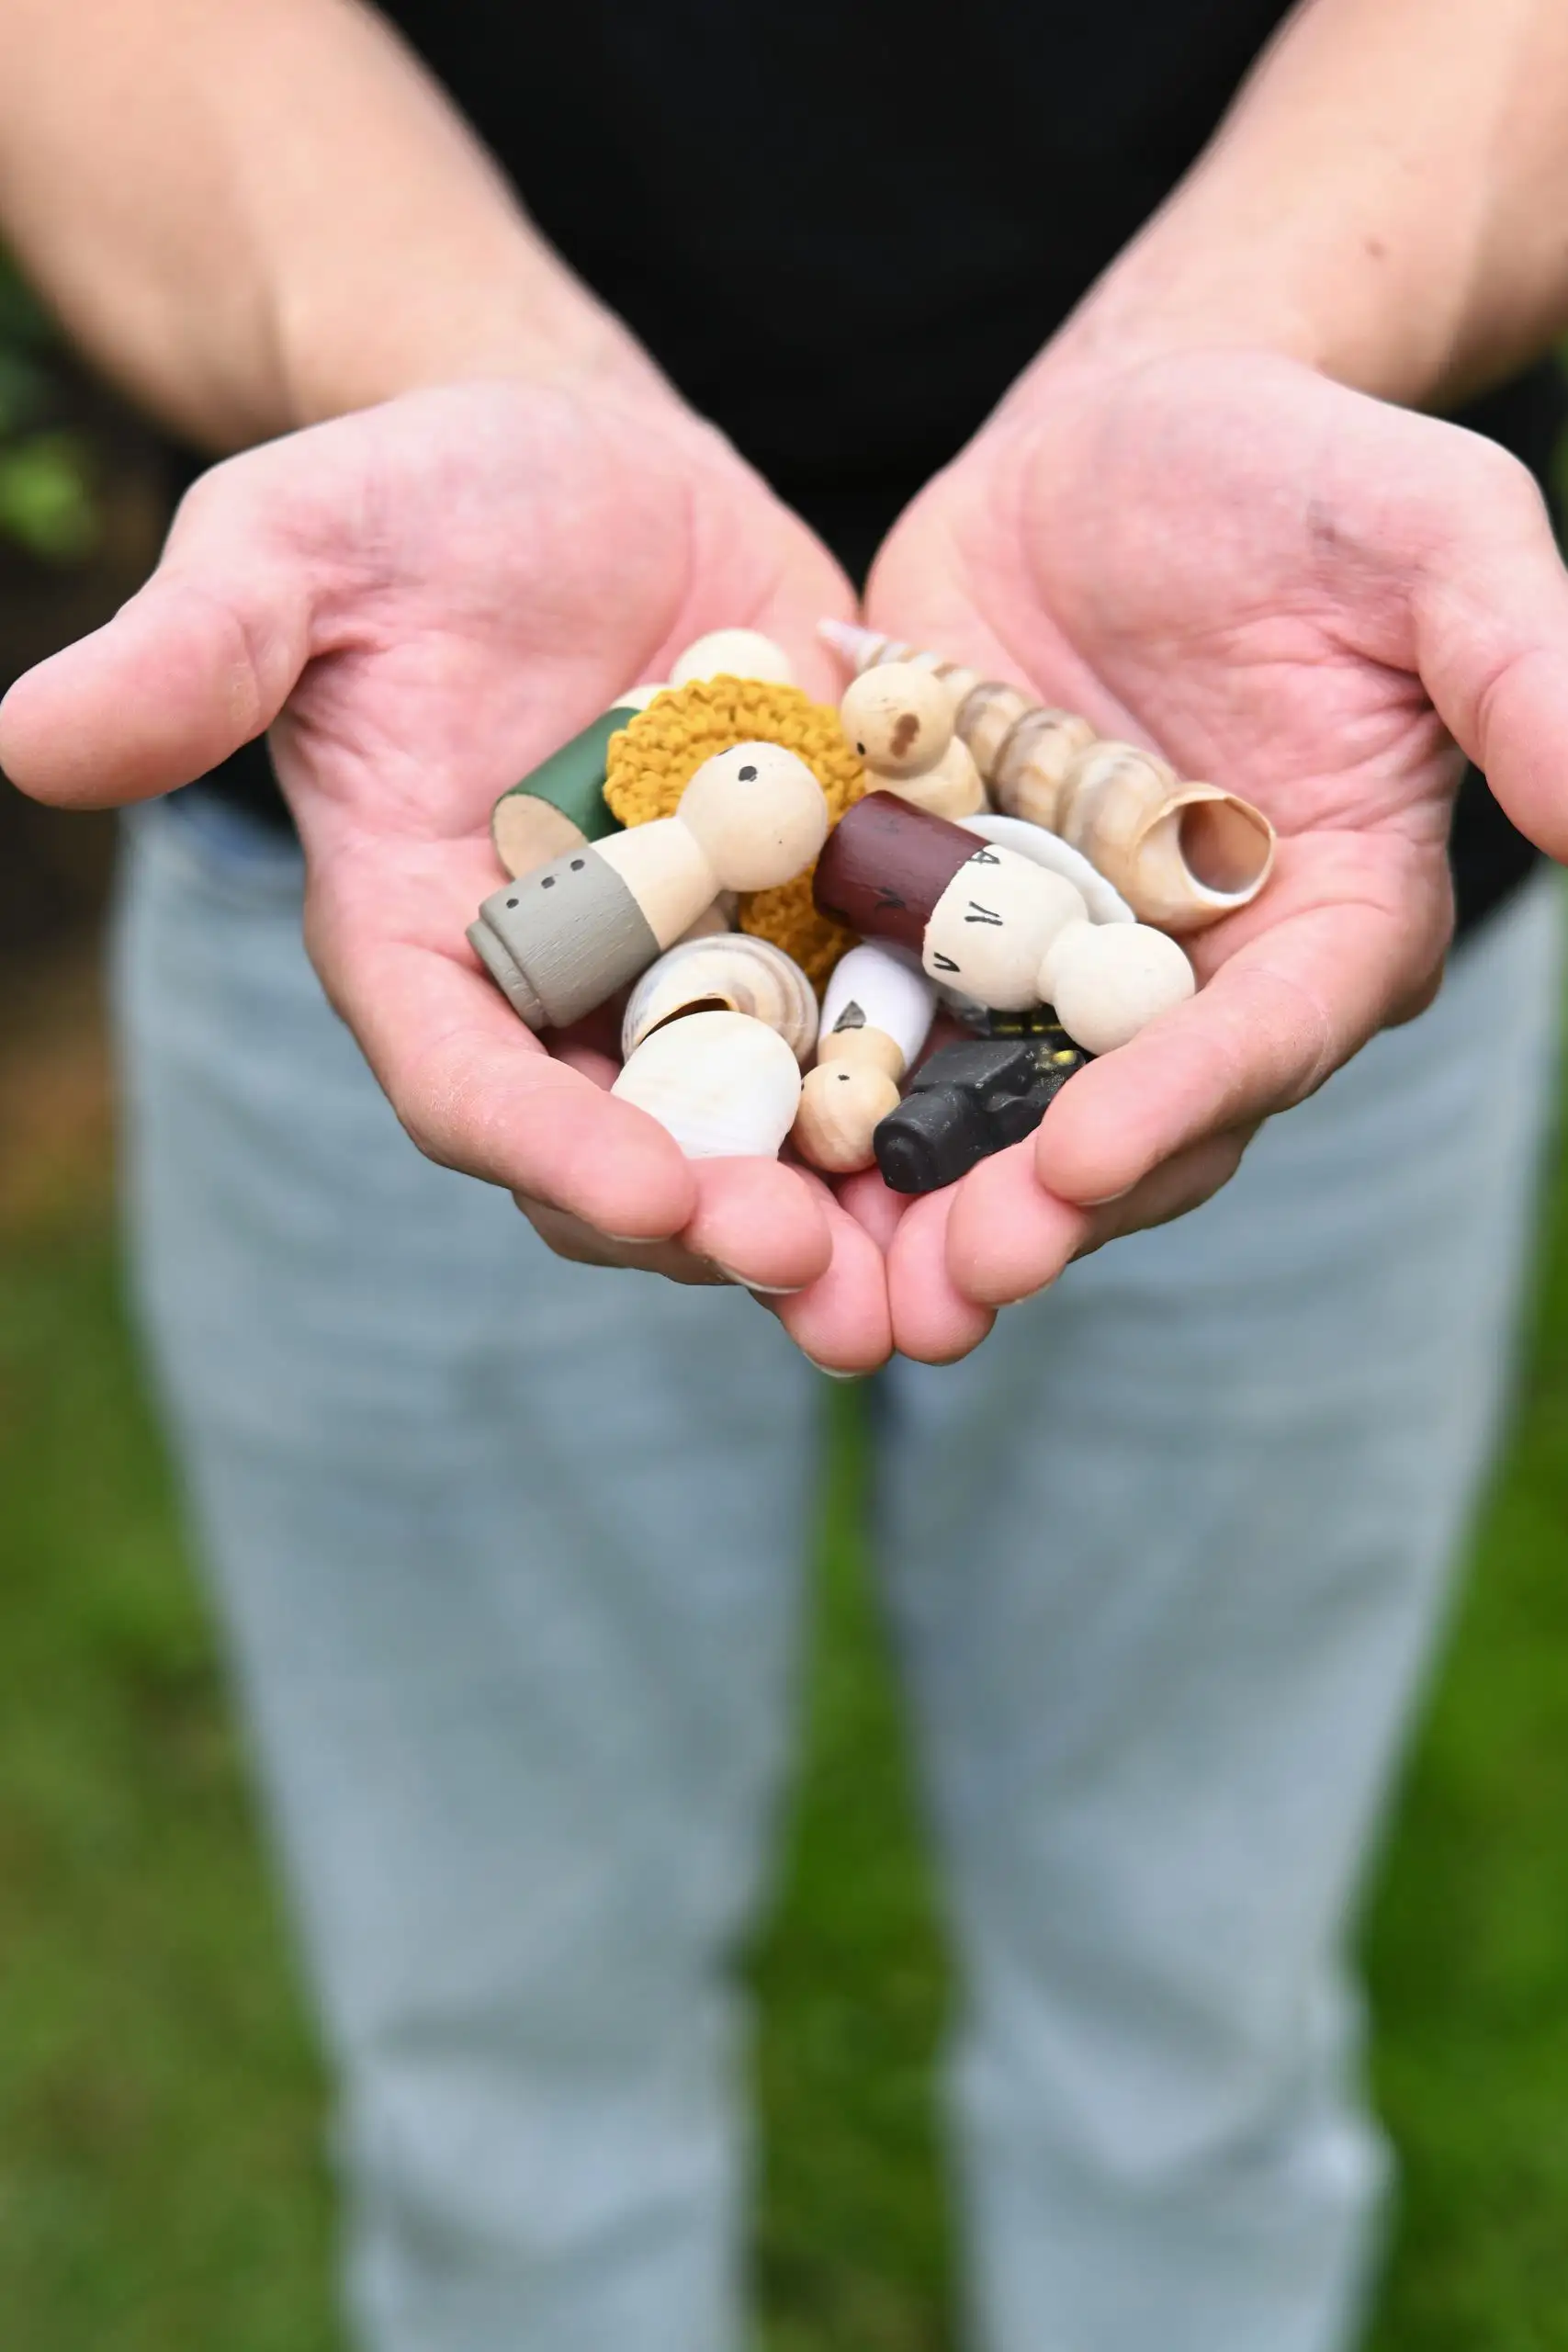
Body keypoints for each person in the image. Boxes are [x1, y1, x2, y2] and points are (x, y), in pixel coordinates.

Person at [3, 0, 1568, 2344]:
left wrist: (1252, 332)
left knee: (1195, 2012)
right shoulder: (699, 855)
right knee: (494, 2062)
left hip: (1285, 724)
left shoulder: (986, 888)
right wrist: (458, 367)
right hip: (396, 732)